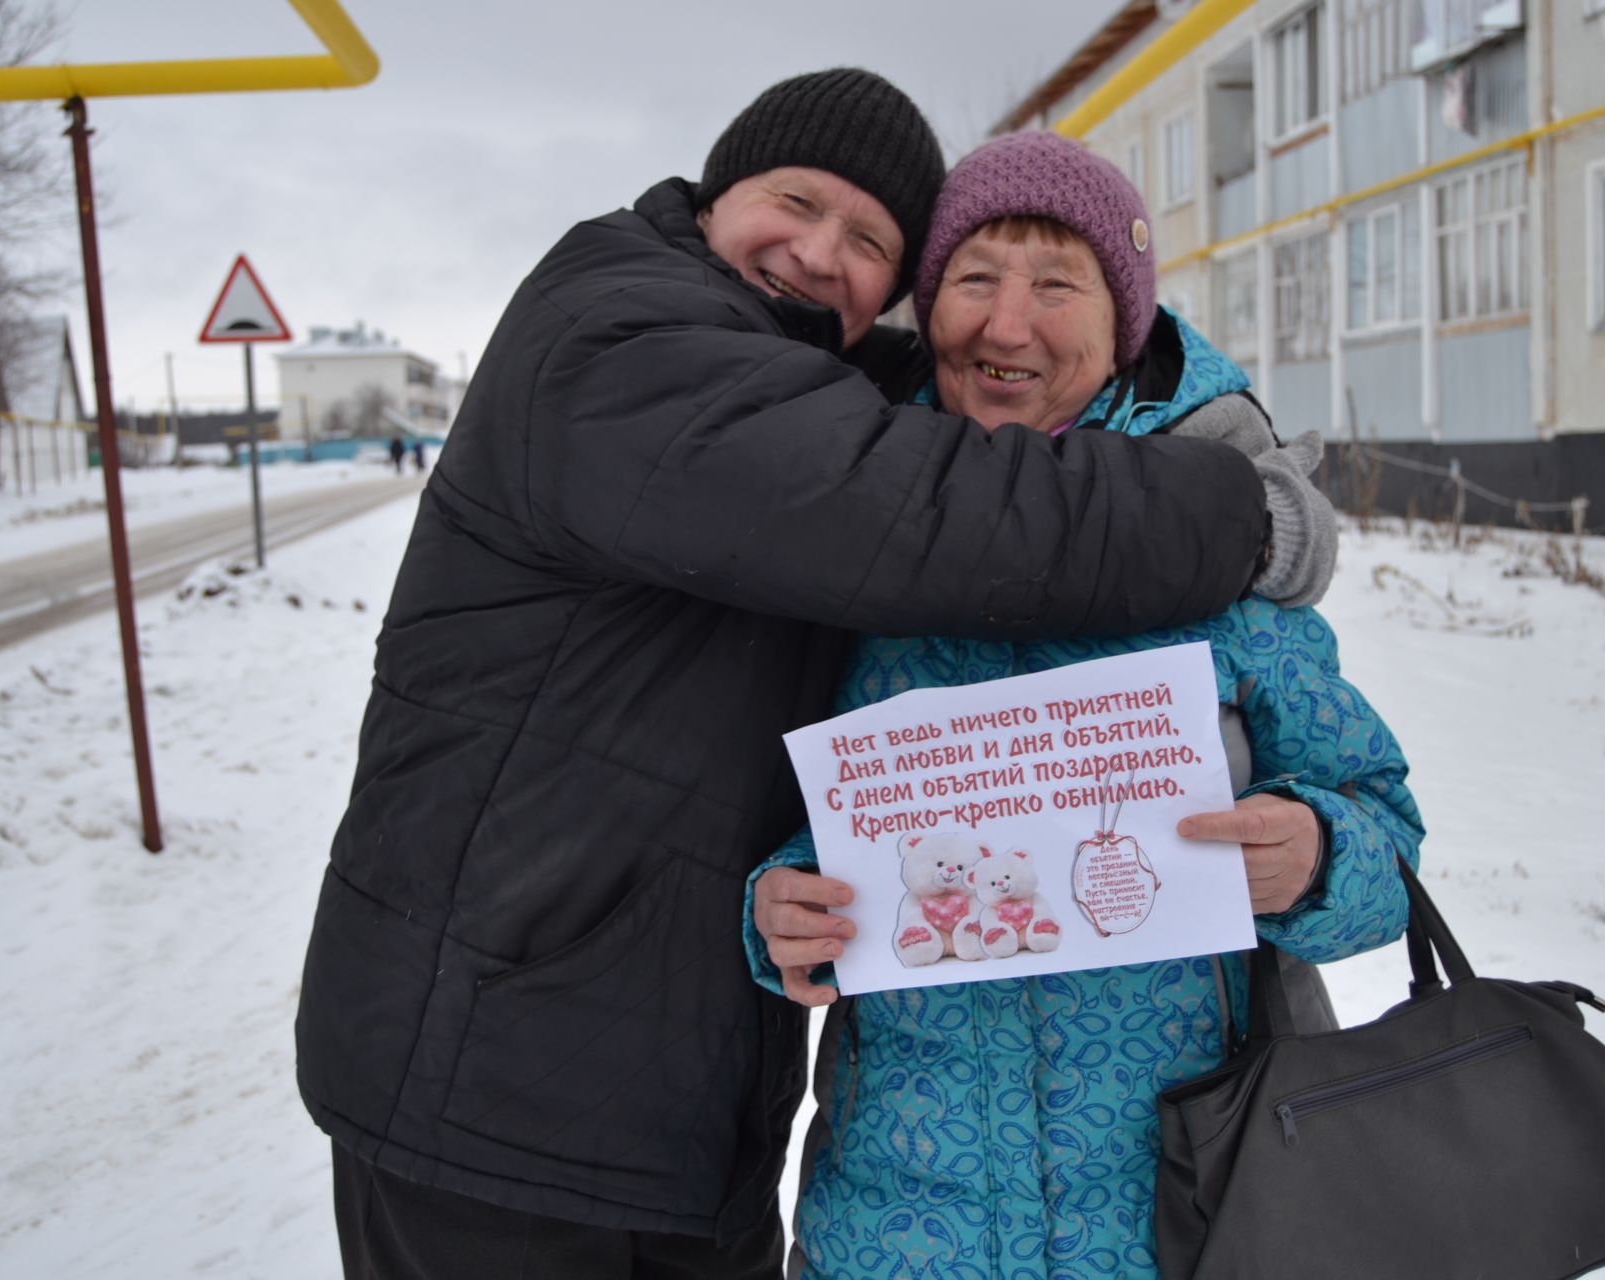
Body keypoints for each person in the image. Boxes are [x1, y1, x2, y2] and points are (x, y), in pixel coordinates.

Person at [298, 71, 1286, 1280]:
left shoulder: (788, 373)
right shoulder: (621, 326)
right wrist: (1241, 502)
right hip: (493, 1101)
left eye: (870, 239)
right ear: (717, 194)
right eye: (794, 200)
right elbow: (914, 499)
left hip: (665, 1105)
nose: (821, 253)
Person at [745, 132, 1424, 1278]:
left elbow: (1386, 842)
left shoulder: (1214, 554)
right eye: (975, 278)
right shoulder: (849, 554)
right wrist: (778, 910)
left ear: (1125, 331)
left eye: (1058, 284)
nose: (1008, 325)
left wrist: (1313, 854)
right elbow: (773, 822)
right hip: (899, 1226)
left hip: (1189, 1219)